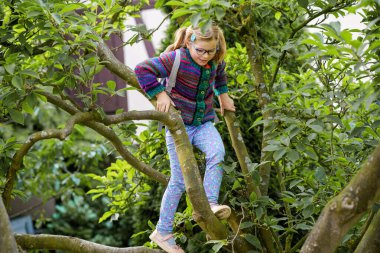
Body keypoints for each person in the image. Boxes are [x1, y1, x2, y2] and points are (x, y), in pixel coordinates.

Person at [134, 24, 235, 253]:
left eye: (210, 51)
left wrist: (224, 98)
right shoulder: (175, 58)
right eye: (200, 50)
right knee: (179, 180)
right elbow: (141, 69)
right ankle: (162, 231)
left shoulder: (215, 59)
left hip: (203, 123)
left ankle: (210, 203)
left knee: (217, 153)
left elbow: (220, 76)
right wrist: (159, 93)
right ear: (189, 43)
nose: (205, 56)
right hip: (179, 127)